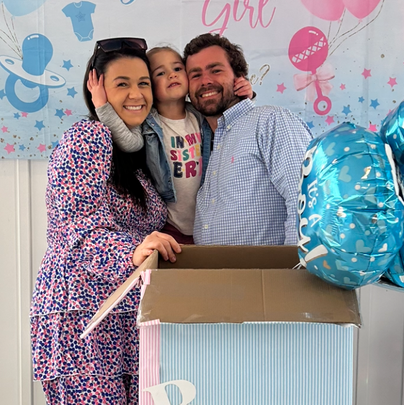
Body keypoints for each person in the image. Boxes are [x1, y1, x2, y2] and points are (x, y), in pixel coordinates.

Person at [30, 38, 181, 405]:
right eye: (122, 83)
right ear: (97, 88)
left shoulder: (137, 151)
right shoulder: (88, 137)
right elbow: (76, 227)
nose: (136, 94)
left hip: (126, 315)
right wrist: (133, 250)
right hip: (85, 313)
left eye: (143, 83)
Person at [88, 46, 253, 244]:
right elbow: (129, 143)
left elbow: (229, 123)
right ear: (149, 86)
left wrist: (242, 96)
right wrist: (102, 107)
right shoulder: (148, 124)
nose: (171, 75)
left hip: (209, 220)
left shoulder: (200, 115)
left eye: (177, 69)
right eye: (160, 73)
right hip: (170, 225)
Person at [184, 33, 313, 246]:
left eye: (215, 70)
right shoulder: (205, 142)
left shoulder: (270, 120)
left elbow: (304, 200)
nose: (205, 81)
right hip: (213, 267)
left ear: (239, 76)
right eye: (195, 75)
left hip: (270, 268)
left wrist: (294, 266)